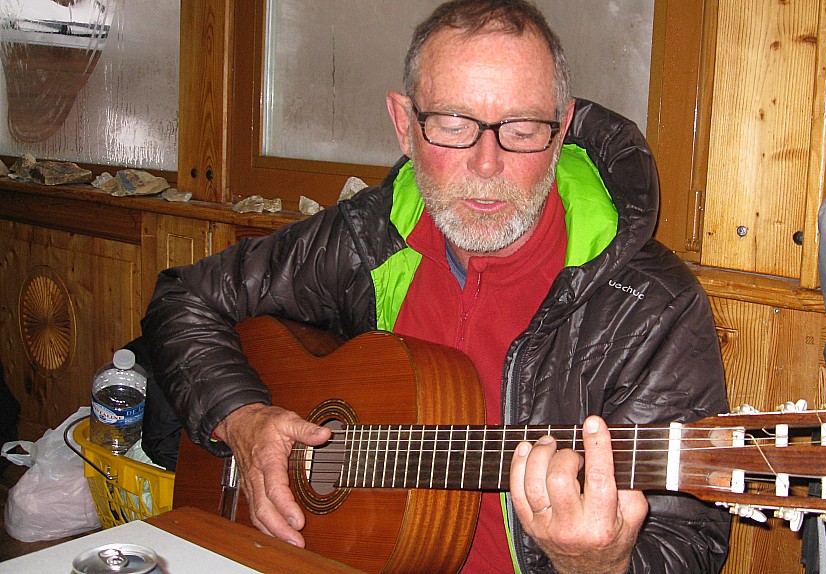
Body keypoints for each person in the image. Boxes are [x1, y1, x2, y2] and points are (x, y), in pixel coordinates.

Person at [140, 0, 731, 572]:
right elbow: (184, 298)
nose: (486, 163)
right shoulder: (370, 235)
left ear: (562, 129)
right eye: (452, 125)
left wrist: (596, 564)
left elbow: (688, 544)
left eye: (522, 130)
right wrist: (242, 418)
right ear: (403, 123)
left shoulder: (651, 306)